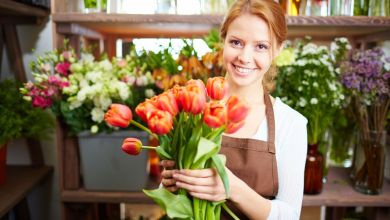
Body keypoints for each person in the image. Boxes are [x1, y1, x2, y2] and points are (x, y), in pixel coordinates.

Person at [161, 0, 308, 219]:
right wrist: (171, 183)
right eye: (237, 42)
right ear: (223, 40)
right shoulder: (191, 107)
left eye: (261, 46)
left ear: (278, 49)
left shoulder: (291, 124)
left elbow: (289, 215)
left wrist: (232, 188)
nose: (244, 57)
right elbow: (172, 200)